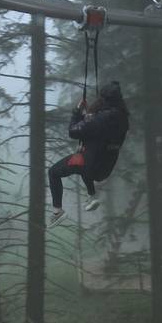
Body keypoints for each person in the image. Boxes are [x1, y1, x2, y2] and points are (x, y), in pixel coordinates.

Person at [48, 81, 129, 228]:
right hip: (105, 168)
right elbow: (99, 132)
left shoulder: (99, 119)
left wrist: (77, 113)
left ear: (103, 100)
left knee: (53, 172)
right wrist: (89, 116)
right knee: (85, 160)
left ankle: (57, 211)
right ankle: (91, 196)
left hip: (90, 165)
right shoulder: (123, 118)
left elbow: (73, 131)